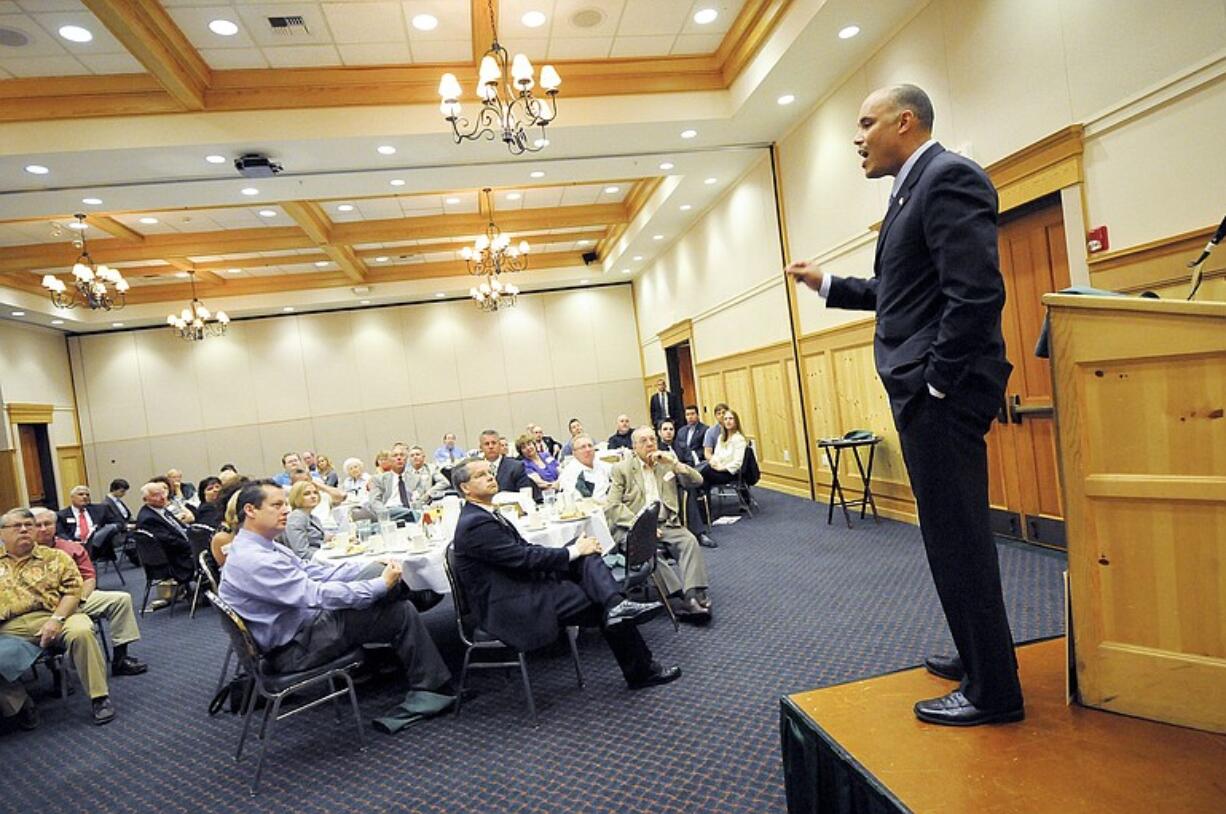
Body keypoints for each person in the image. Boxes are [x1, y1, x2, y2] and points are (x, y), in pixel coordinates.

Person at [785, 83, 1022, 727]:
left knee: (959, 541)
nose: (857, 139)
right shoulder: (911, 190)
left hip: (939, 394)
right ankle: (982, 659)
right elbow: (900, 292)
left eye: (866, 123)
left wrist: (938, 383)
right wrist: (827, 283)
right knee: (948, 539)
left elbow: (974, 295)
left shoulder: (948, 178)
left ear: (906, 121)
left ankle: (993, 692)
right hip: (928, 390)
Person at [218, 482, 454, 715]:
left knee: (377, 581)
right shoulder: (256, 560)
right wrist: (379, 585)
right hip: (294, 651)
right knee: (399, 611)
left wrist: (366, 568)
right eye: (277, 505)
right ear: (250, 510)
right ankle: (431, 684)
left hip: (301, 632)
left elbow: (315, 572)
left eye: (285, 504)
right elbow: (317, 595)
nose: (286, 511)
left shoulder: (262, 547)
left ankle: (430, 682)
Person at [450, 459, 681, 690]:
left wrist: (575, 550)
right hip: (508, 602)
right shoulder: (475, 523)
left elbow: (526, 550)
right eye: (480, 475)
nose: (490, 476)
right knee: (598, 597)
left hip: (521, 585)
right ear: (465, 489)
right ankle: (639, 664)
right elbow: (523, 558)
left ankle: (616, 605)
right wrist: (572, 551)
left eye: (489, 471)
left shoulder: (485, 514)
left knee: (586, 557)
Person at [0, 508, 115, 726]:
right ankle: (20, 704)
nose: (24, 529)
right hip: (10, 625)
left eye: (29, 525)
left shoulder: (56, 557)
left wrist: (57, 619)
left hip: (59, 614)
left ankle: (99, 697)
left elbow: (73, 591)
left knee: (82, 631)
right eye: (17, 526)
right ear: (2, 533)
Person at [606, 427, 713, 619]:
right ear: (634, 446)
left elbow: (697, 481)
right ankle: (677, 597)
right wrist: (642, 526)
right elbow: (612, 506)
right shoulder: (622, 469)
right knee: (651, 552)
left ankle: (692, 594)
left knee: (689, 541)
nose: (649, 444)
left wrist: (675, 464)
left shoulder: (665, 463)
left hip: (666, 523)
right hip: (634, 527)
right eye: (644, 441)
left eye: (652, 440)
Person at [31, 508, 146, 677]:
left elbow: (89, 578)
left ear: (55, 526)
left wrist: (80, 600)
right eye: (37, 525)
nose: (43, 528)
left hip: (77, 597)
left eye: (47, 524)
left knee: (121, 599)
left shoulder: (71, 548)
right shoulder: (22, 553)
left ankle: (121, 659)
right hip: (41, 606)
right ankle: (58, 674)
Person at [135, 481, 196, 585]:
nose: (162, 497)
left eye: (162, 493)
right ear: (145, 500)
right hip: (175, 560)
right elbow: (170, 541)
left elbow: (179, 528)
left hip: (179, 551)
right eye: (156, 495)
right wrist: (191, 545)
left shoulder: (159, 509)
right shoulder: (148, 518)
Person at [54, 485, 123, 558]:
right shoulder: (61, 515)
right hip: (74, 545)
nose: (85, 497)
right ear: (72, 498)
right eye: (80, 494)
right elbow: (60, 533)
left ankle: (88, 547)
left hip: (97, 545)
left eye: (87, 495)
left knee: (110, 527)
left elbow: (118, 523)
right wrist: (70, 542)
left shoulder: (101, 509)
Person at [477, 430, 537, 499]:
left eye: (494, 443)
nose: (491, 446)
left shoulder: (516, 466)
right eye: (487, 444)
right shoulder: (475, 470)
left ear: (499, 445)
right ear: (481, 448)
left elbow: (526, 496)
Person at [366, 444, 417, 521]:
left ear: (406, 459)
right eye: (395, 456)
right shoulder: (378, 479)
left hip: (413, 509)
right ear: (390, 460)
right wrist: (384, 514)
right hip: (390, 510)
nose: (399, 458)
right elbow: (374, 500)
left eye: (402, 455)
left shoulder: (415, 477)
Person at [699, 410, 748, 489]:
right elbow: (716, 455)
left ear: (736, 421)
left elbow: (738, 463)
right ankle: (701, 498)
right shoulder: (721, 438)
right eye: (725, 419)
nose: (728, 421)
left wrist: (721, 468)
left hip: (729, 473)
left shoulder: (739, 439)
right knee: (702, 477)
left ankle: (700, 498)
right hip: (717, 468)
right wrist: (714, 463)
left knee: (702, 475)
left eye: (731, 419)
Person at [283, 480, 331, 560]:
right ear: (296, 497)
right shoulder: (297, 517)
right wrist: (328, 557)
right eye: (307, 494)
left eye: (315, 492)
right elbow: (302, 553)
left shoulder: (313, 517)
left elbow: (317, 540)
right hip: (310, 564)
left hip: (319, 556)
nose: (313, 496)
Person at [557, 435, 612, 501]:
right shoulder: (570, 474)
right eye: (583, 447)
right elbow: (581, 501)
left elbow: (616, 472)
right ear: (574, 453)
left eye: (590, 446)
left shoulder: (599, 463)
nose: (588, 450)